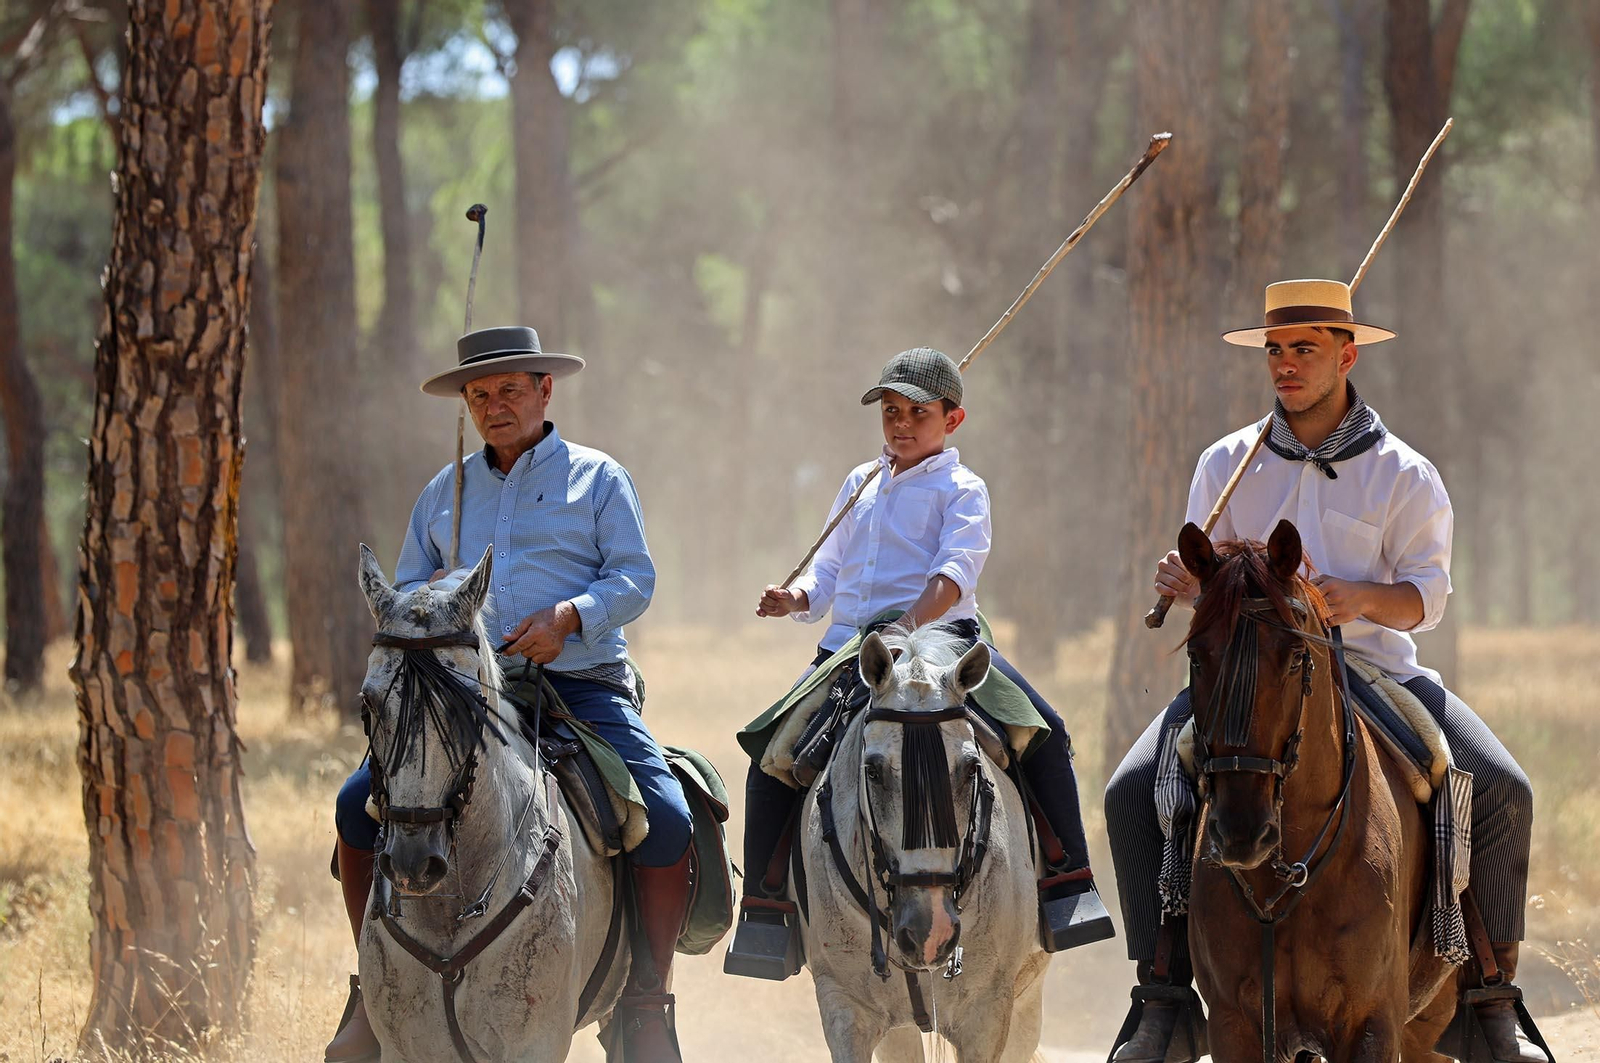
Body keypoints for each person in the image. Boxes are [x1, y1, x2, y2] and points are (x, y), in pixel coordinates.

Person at [1103, 279, 1543, 1063]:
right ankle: (1163, 993)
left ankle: (1490, 995)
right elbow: (1223, 586)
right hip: (1253, 681)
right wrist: (1193, 585)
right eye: (1275, 350)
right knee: (1135, 788)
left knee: (1501, 784)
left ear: (1347, 354)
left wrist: (1357, 598)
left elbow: (1426, 598)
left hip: (1373, 670)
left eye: (1304, 349)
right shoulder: (1228, 464)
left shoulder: (1403, 473)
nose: (1285, 365)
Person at [325, 327, 693, 1063]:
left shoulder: (599, 479)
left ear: (544, 391)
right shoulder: (444, 492)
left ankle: (646, 999)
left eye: (510, 390)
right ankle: (375, 986)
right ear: (468, 402)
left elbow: (634, 578)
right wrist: (430, 601)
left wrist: (570, 617)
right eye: (480, 394)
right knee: (355, 805)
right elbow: (402, 595)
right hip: (462, 695)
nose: (495, 405)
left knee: (671, 817)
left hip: (581, 683)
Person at [725, 347, 1110, 975]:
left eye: (918, 413)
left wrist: (908, 625)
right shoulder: (859, 483)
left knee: (1042, 731)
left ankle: (1068, 886)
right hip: (852, 648)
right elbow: (827, 570)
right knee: (770, 749)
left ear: (953, 421)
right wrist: (795, 596)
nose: (901, 424)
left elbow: (953, 574)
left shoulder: (963, 489)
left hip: (943, 642)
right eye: (891, 411)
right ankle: (766, 912)